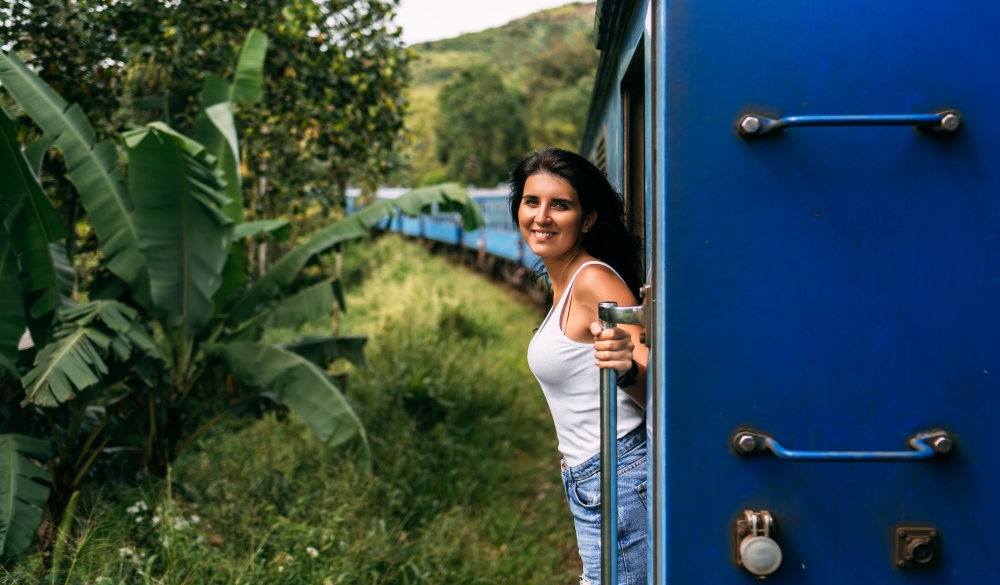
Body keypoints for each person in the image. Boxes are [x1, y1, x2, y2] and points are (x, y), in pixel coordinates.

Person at [508, 147, 648, 585]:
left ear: (586, 219)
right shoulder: (564, 281)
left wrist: (626, 368)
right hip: (596, 477)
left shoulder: (593, 280)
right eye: (532, 202)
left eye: (560, 205)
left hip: (619, 478)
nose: (542, 216)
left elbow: (654, 383)